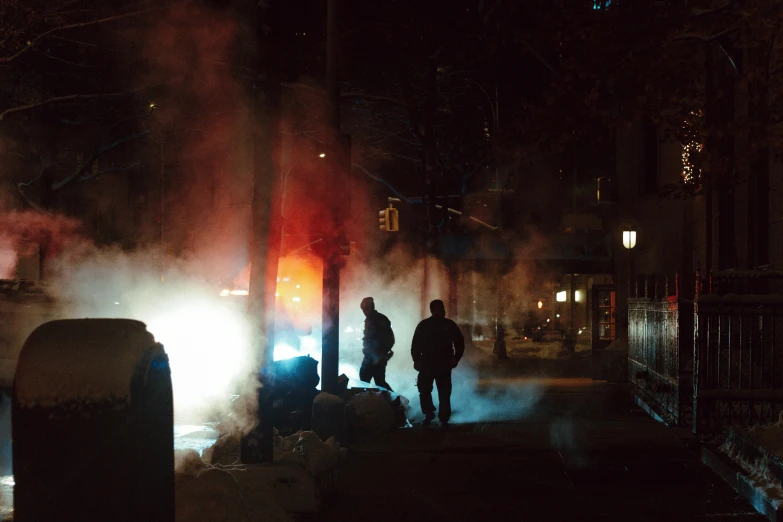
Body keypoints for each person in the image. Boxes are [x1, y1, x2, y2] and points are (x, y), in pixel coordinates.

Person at [411, 299, 465, 428]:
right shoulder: (424, 325)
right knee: (424, 390)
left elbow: (459, 343)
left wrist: (456, 358)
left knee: (444, 391)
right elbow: (416, 345)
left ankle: (443, 418)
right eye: (440, 308)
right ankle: (429, 413)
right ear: (433, 310)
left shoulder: (449, 325)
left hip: (443, 363)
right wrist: (416, 360)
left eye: (443, 308)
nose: (443, 311)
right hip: (427, 362)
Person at [359, 297, 395, 391]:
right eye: (363, 310)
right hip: (370, 356)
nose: (364, 312)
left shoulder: (380, 320)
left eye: (365, 309)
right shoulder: (369, 320)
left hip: (377, 356)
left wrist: (382, 355)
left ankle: (394, 401)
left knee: (376, 382)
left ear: (371, 307)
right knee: (369, 380)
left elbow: (389, 339)